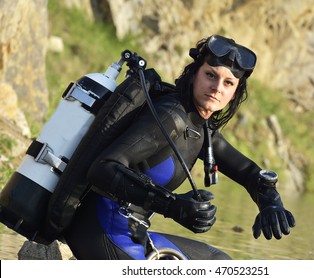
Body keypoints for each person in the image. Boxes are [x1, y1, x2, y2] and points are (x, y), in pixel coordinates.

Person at [63, 34, 296, 260]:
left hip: (134, 233)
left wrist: (270, 201)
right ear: (194, 75)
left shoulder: (200, 127)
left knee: (218, 261)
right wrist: (173, 206)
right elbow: (102, 169)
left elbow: (248, 173)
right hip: (100, 232)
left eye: (228, 83)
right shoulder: (170, 116)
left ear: (235, 94)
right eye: (210, 75)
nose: (217, 88)